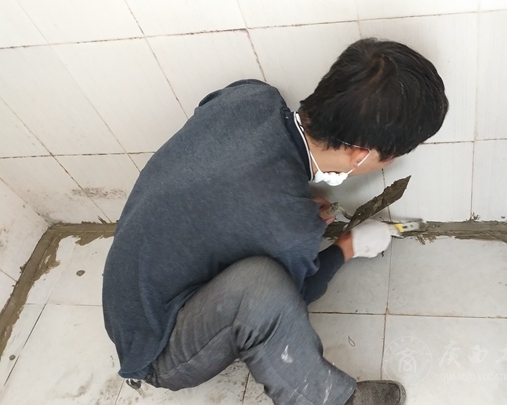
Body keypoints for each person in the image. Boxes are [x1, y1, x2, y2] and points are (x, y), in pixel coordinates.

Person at [102, 38, 448, 405]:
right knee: (261, 291)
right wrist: (348, 248)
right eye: (393, 156)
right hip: (156, 346)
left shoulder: (250, 96)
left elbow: (221, 170)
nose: (392, 163)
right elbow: (291, 299)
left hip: (134, 290)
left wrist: (286, 201)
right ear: (360, 155)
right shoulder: (290, 228)